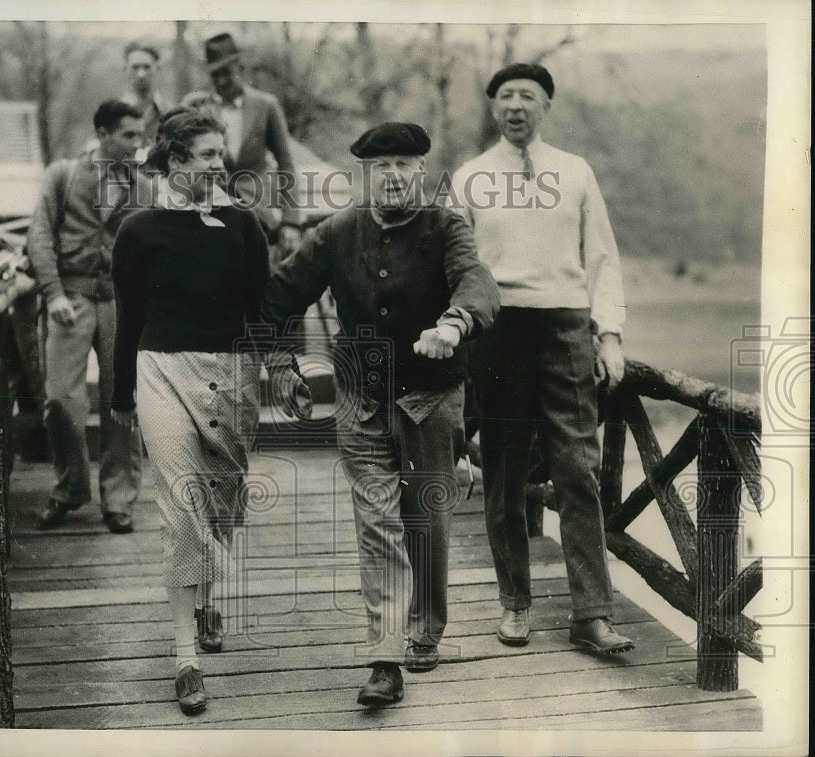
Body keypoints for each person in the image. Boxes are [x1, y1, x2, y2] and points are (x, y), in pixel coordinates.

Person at [261, 123, 500, 707]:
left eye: (404, 165)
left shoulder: (447, 227)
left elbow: (478, 284)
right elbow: (280, 292)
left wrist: (454, 323)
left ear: (421, 171)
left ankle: (425, 628)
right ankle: (385, 658)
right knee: (378, 526)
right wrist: (281, 359)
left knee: (426, 519)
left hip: (432, 398)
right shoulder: (339, 231)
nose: (392, 176)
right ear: (365, 175)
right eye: (381, 166)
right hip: (360, 400)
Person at [110, 108, 307, 716]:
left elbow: (264, 306)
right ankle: (185, 655)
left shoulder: (245, 226)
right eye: (206, 156)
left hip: (232, 374)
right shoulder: (137, 231)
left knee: (221, 501)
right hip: (160, 370)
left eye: (222, 154)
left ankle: (208, 595)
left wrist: (282, 366)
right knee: (181, 510)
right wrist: (122, 395)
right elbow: (128, 320)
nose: (220, 165)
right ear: (174, 162)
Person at [451, 63, 634, 654]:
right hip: (498, 332)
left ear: (546, 106)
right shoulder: (472, 178)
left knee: (578, 468)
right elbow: (454, 266)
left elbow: (602, 258)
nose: (516, 106)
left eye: (528, 96)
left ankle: (592, 615)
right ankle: (515, 605)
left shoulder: (575, 172)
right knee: (503, 472)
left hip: (565, 331)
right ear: (494, 108)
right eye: (505, 96)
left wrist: (609, 336)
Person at [27, 100, 151, 535]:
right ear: (103, 134)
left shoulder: (145, 185)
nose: (138, 145)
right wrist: (53, 292)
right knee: (60, 398)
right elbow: (39, 236)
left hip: (123, 303)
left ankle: (118, 498)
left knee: (122, 400)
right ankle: (71, 487)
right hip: (71, 299)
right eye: (129, 136)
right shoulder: (63, 175)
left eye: (140, 136)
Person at [182, 32, 300, 231]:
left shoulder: (266, 105)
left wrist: (291, 222)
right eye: (215, 75)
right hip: (213, 210)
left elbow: (286, 163)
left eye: (227, 73)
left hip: (260, 211)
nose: (221, 82)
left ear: (240, 68)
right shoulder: (198, 107)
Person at [120, 40, 171, 166]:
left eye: (147, 67)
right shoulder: (114, 115)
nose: (141, 74)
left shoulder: (169, 113)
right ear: (125, 69)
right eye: (135, 67)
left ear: (157, 68)